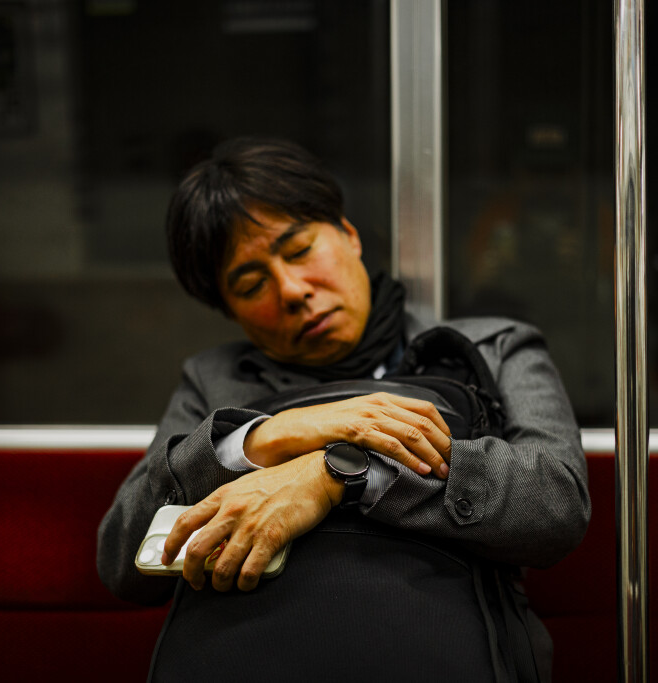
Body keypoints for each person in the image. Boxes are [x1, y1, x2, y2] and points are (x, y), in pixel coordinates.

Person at [97, 138, 590, 683]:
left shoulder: (493, 348)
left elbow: (557, 504)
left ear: (349, 235)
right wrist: (261, 440)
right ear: (230, 310)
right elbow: (122, 558)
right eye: (252, 283)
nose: (291, 290)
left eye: (299, 250)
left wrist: (338, 475)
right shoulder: (214, 379)